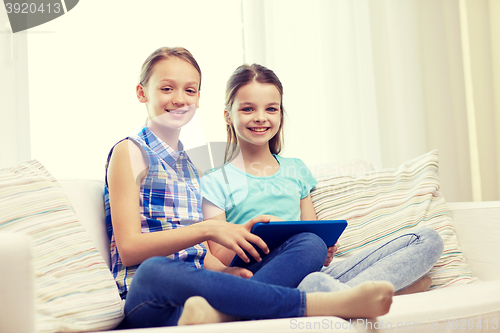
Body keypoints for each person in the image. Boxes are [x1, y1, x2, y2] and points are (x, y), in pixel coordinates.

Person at [104, 47, 395, 329]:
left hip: (196, 301)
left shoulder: (192, 166)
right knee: (155, 270)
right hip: (149, 296)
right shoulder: (130, 151)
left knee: (310, 242)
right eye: (167, 88)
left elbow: (197, 254)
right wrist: (209, 229)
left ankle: (231, 310)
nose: (180, 99)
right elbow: (130, 249)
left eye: (190, 90)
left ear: (198, 97)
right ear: (142, 93)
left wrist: (228, 273)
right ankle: (321, 304)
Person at [200, 63, 444, 296]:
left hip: (313, 273)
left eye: (271, 109)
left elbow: (312, 231)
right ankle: (376, 291)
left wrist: (324, 250)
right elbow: (218, 255)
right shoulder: (214, 180)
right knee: (309, 246)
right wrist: (253, 232)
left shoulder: (295, 169)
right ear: (228, 116)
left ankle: (329, 295)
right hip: (261, 273)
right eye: (248, 109)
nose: (261, 117)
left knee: (427, 239)